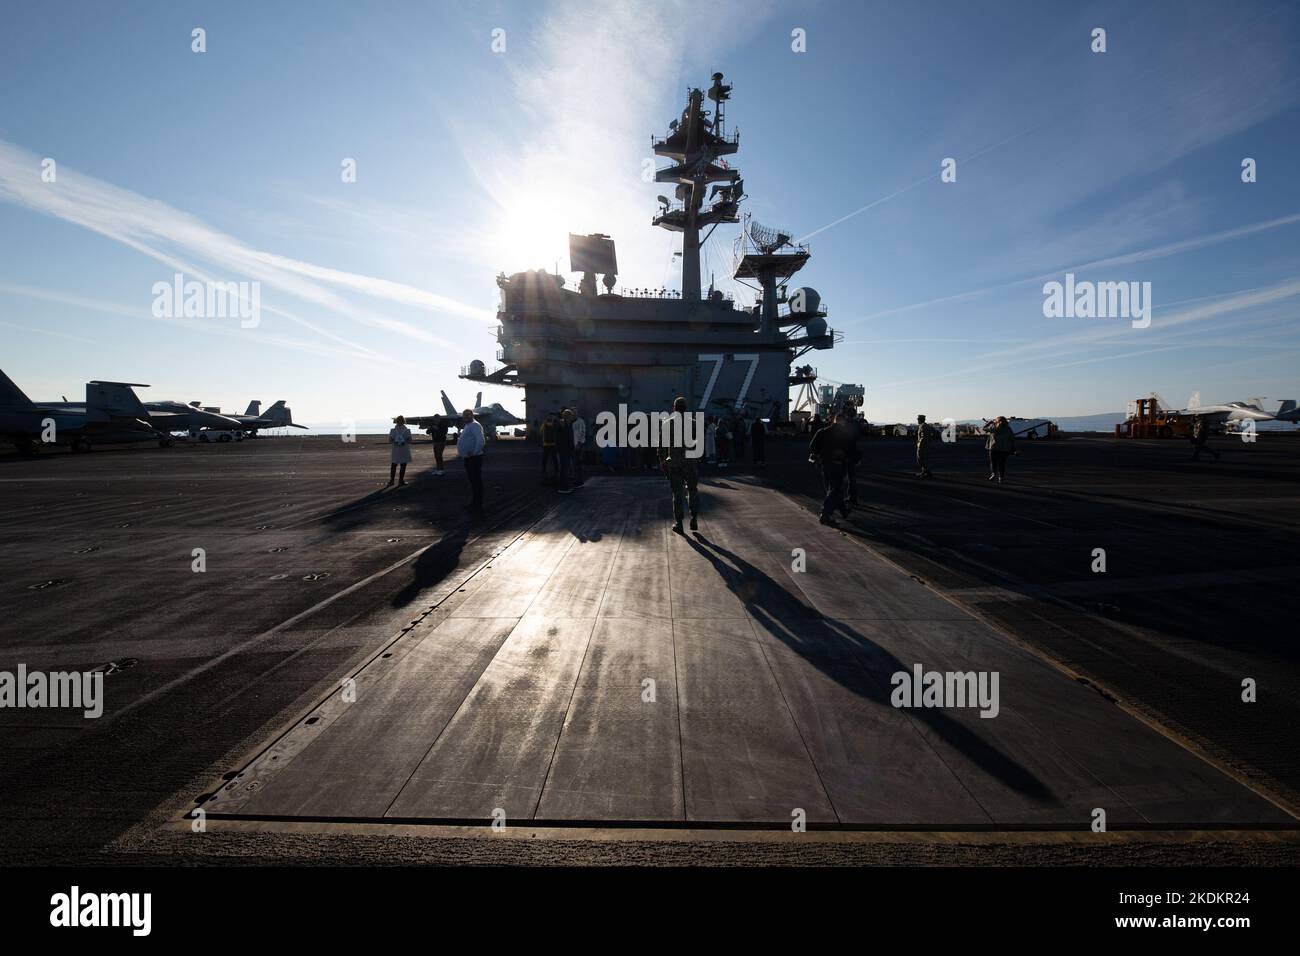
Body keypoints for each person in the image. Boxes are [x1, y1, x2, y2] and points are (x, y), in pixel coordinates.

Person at [659, 396, 700, 534]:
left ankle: (679, 523)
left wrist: (663, 462)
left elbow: (662, 447)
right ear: (685, 408)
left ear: (674, 408)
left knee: (677, 494)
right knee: (692, 490)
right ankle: (694, 518)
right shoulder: (694, 424)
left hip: (674, 464)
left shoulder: (667, 424)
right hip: (690, 463)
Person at [809, 412, 855, 526]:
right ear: (843, 421)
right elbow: (851, 450)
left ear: (834, 420)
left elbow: (812, 446)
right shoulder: (845, 434)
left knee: (832, 489)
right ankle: (825, 514)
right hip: (838, 465)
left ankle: (843, 511)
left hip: (825, 464)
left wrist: (820, 454)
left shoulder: (822, 432)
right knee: (835, 489)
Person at [458, 408, 485, 512]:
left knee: (476, 481)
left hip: (474, 458)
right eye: (464, 415)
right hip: (469, 458)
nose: (465, 417)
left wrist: (474, 452)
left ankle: (477, 504)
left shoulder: (475, 425)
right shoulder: (468, 425)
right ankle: (474, 502)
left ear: (472, 415)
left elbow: (481, 440)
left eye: (468, 415)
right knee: (473, 482)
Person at [985, 415, 1015, 483]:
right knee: (1002, 464)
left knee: (993, 462)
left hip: (994, 448)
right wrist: (1013, 449)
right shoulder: (1008, 429)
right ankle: (1001, 478)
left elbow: (984, 429)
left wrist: (988, 423)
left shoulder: (994, 427)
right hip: (1005, 449)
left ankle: (993, 474)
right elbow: (1012, 439)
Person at [388, 415, 412, 486]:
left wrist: (395, 442)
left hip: (395, 450)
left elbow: (390, 440)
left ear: (396, 421)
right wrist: (404, 441)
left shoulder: (392, 430)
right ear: (404, 421)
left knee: (393, 465)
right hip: (404, 450)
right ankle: (401, 481)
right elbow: (410, 440)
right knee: (403, 466)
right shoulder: (407, 430)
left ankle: (392, 481)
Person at [556, 408, 575, 493]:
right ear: (567, 416)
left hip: (567, 450)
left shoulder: (567, 424)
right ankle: (563, 487)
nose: (572, 417)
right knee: (564, 469)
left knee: (566, 469)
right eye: (571, 416)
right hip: (564, 450)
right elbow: (560, 438)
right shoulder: (562, 424)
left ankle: (565, 486)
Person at [570, 409, 586, 486]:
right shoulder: (569, 421)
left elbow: (583, 433)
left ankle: (579, 480)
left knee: (577, 463)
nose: (574, 414)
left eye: (575, 412)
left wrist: (579, 443)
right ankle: (574, 478)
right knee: (572, 463)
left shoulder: (581, 421)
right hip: (570, 445)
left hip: (578, 445)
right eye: (573, 412)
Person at [540, 413, 558, 484]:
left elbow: (541, 431)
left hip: (546, 444)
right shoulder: (556, 423)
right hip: (553, 444)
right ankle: (556, 470)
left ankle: (544, 470)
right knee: (554, 458)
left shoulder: (544, 423)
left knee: (545, 458)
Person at [915, 413, 934, 478]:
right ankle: (924, 472)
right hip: (925, 445)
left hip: (922, 446)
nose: (917, 420)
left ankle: (927, 473)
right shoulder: (925, 425)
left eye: (918, 419)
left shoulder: (923, 426)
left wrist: (919, 444)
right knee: (922, 459)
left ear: (920, 419)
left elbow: (923, 437)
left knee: (920, 459)